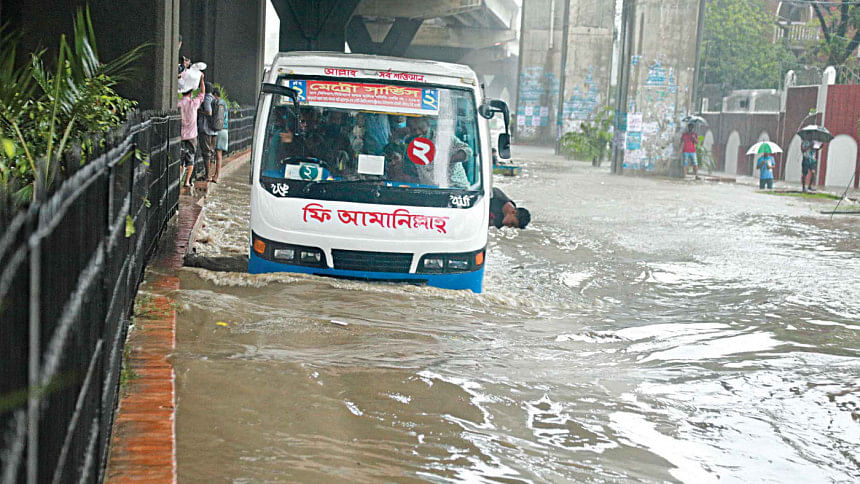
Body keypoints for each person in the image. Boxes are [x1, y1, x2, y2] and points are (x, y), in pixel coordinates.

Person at [178, 72, 205, 189]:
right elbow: (202, 94)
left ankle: (178, 179)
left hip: (180, 135)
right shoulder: (194, 103)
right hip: (192, 135)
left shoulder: (178, 104)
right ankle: (187, 181)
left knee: (180, 158)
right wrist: (202, 79)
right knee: (190, 158)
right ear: (191, 92)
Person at [198, 82, 217, 181]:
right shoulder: (214, 99)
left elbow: (209, 112)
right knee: (211, 152)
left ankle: (207, 175)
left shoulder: (207, 98)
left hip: (206, 130)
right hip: (214, 130)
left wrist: (200, 111)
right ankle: (210, 173)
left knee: (206, 153)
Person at [211, 86, 229, 183]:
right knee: (219, 154)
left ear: (214, 95)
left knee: (213, 153)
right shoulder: (224, 103)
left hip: (217, 130)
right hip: (225, 130)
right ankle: (216, 176)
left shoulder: (215, 102)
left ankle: (212, 175)